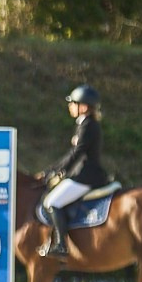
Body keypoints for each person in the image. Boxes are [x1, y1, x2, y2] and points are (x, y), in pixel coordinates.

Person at [37, 84, 110, 259]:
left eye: (73, 103)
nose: (70, 106)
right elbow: (72, 154)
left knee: (51, 202)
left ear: (83, 107)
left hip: (86, 176)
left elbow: (77, 154)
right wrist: (52, 170)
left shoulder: (87, 126)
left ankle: (61, 245)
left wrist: (58, 172)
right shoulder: (85, 124)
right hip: (82, 173)